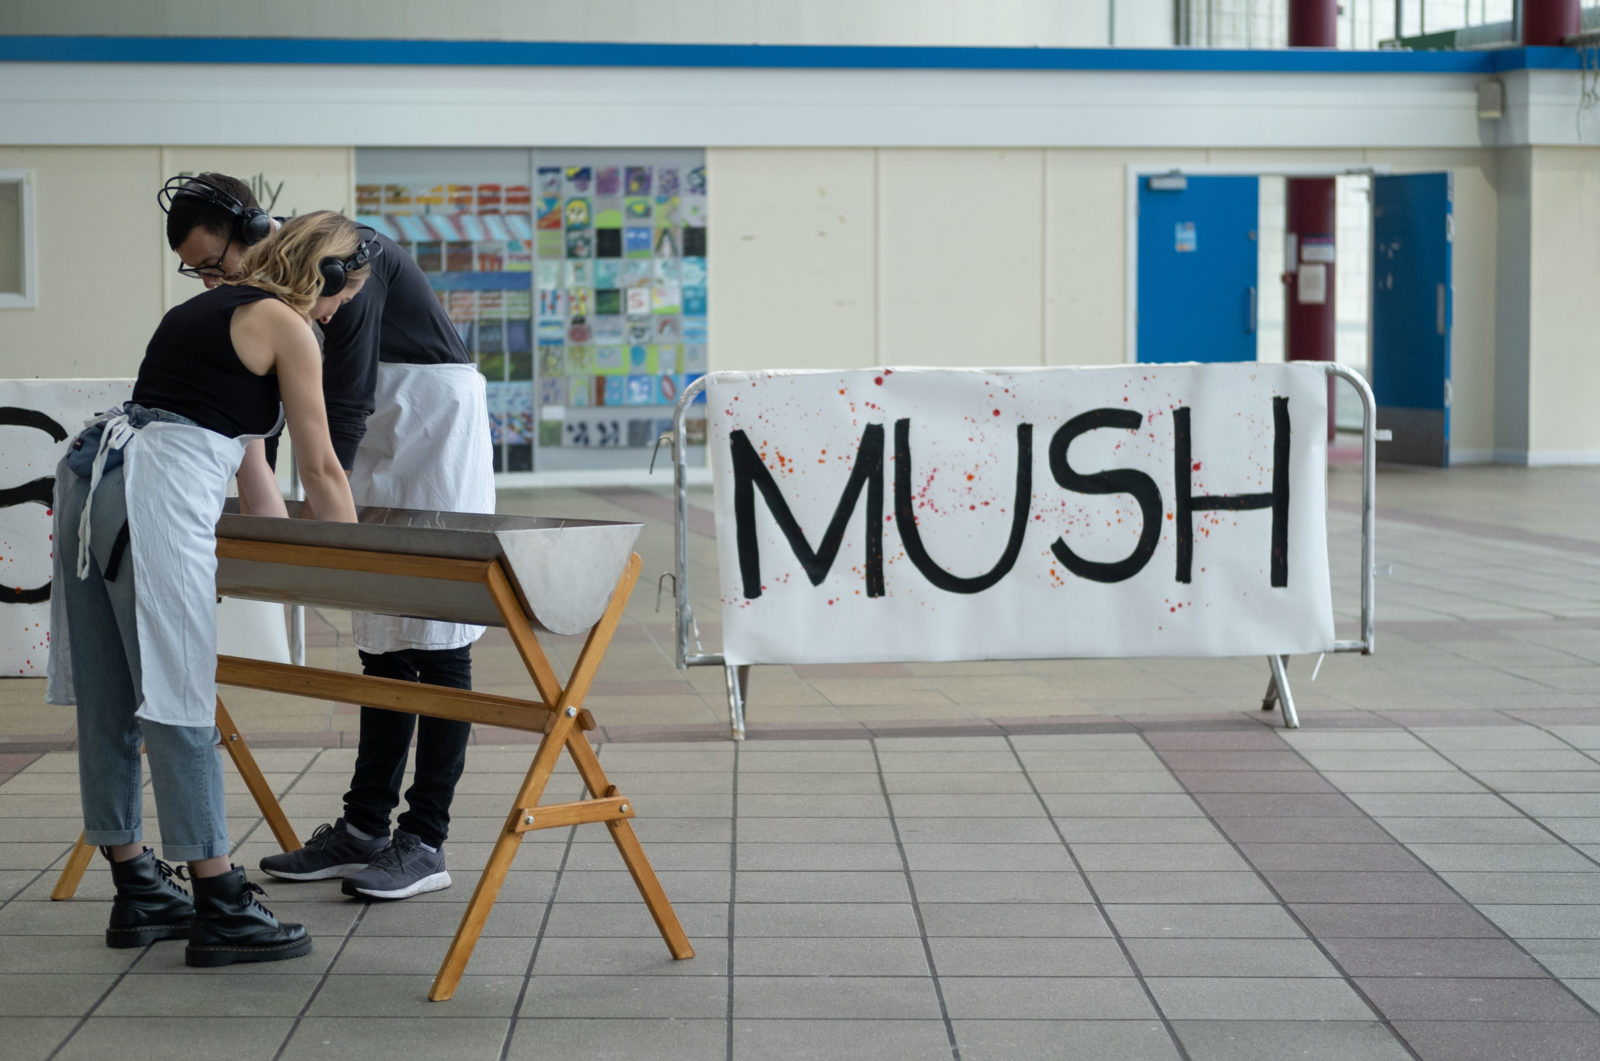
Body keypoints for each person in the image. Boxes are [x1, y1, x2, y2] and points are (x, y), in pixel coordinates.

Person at [159, 172, 496, 901]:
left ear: (249, 229)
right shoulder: (280, 285)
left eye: (217, 263)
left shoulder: (347, 255)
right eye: (200, 273)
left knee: (436, 630)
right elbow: (278, 408)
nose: (215, 280)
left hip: (430, 417)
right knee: (380, 632)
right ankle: (365, 825)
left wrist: (321, 554)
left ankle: (425, 837)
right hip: (370, 427)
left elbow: (335, 415)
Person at [46, 211, 368, 966]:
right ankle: (219, 898)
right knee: (177, 690)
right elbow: (321, 468)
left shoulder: (199, 310)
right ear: (320, 275)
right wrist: (358, 571)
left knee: (112, 697)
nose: (336, 313)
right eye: (340, 297)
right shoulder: (288, 326)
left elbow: (252, 474)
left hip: (92, 481)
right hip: (155, 498)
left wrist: (282, 564)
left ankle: (138, 887)